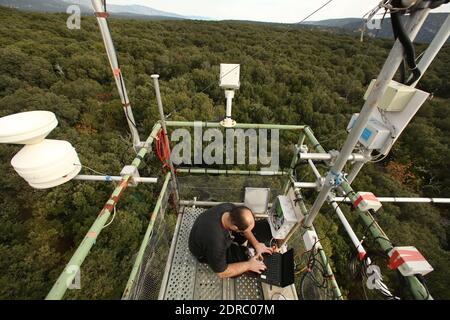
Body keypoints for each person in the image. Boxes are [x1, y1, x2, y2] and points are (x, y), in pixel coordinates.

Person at [188, 203, 274, 278]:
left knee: (245, 232)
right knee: (240, 261)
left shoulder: (229, 208)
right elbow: (221, 273)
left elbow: (245, 229)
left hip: (204, 229)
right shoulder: (216, 242)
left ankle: (244, 244)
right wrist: (249, 265)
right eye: (245, 231)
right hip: (201, 252)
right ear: (234, 228)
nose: (248, 232)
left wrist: (256, 244)